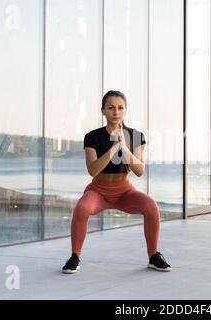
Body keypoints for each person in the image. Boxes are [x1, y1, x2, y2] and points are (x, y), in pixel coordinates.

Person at [62, 90, 171, 274]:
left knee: (151, 206)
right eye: (111, 107)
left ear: (125, 111)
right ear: (103, 111)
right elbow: (93, 170)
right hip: (98, 191)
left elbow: (139, 170)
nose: (116, 112)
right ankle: (74, 256)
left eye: (120, 108)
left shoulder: (136, 136)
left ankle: (153, 256)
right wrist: (113, 149)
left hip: (124, 192)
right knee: (82, 208)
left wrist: (124, 148)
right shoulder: (92, 137)